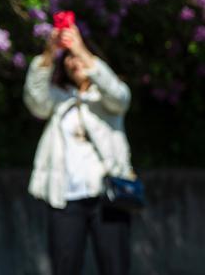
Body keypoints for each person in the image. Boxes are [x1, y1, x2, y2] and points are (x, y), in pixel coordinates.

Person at [24, 18, 134, 275]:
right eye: (70, 59)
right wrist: (50, 52)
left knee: (115, 267)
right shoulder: (59, 100)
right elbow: (34, 98)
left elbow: (119, 95)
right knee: (64, 266)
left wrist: (80, 49)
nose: (75, 62)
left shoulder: (107, 101)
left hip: (108, 196)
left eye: (79, 58)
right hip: (65, 198)